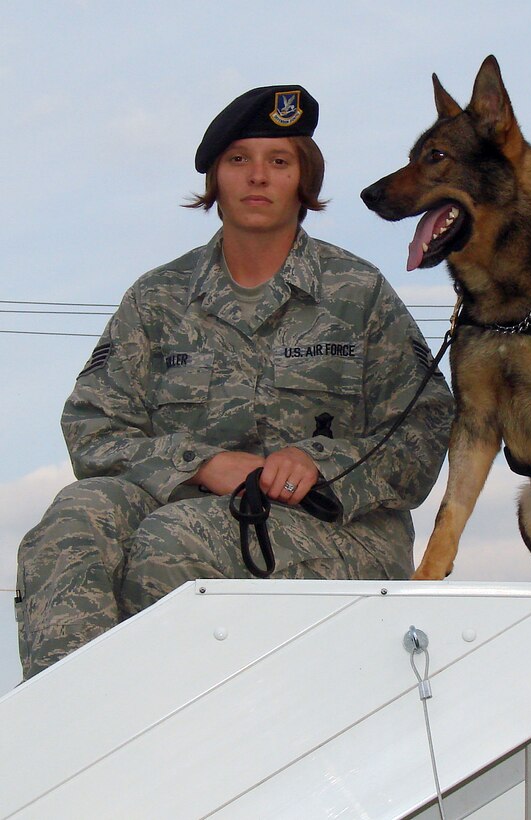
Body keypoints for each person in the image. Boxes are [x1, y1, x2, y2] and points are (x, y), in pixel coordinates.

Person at [15, 84, 454, 679]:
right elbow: (93, 429)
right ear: (215, 180)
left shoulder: (359, 293)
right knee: (73, 520)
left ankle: (175, 742)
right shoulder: (158, 299)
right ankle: (76, 732)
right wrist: (200, 464)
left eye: (279, 161)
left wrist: (320, 465)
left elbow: (424, 427)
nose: (258, 177)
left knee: (173, 541)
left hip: (341, 534)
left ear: (305, 181)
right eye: (239, 160)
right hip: (181, 504)